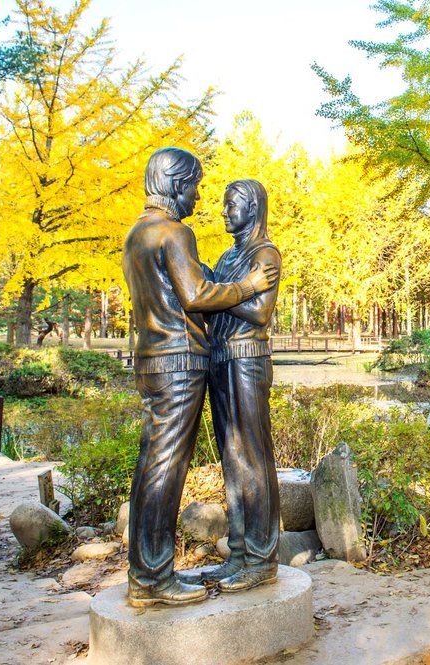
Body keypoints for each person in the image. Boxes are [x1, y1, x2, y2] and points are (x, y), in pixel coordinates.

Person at [122, 149, 278, 607]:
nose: (199, 197)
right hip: (179, 360)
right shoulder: (174, 233)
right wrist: (246, 288)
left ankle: (158, 571)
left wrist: (227, 291)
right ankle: (152, 577)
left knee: (164, 463)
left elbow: (194, 292)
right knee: (165, 468)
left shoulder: (137, 233)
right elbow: (195, 294)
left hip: (166, 359)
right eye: (194, 186)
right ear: (175, 183)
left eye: (230, 201)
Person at [181, 179, 282, 592]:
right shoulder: (227, 257)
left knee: (252, 458)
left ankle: (261, 559)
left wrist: (214, 293)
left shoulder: (264, 253)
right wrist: (209, 283)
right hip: (220, 361)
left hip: (246, 361)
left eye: (231, 204)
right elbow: (208, 303)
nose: (223, 211)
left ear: (253, 207)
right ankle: (239, 553)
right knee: (232, 459)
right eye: (223, 203)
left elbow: (259, 313)